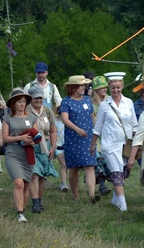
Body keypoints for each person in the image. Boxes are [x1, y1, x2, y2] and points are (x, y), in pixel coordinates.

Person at [91, 72, 137, 211]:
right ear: (109, 88)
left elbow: (134, 124)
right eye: (113, 88)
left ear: (122, 86)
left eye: (118, 87)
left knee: (123, 171)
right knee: (116, 171)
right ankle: (123, 205)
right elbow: (97, 127)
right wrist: (93, 144)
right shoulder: (105, 105)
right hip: (109, 144)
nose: (116, 90)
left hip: (125, 144)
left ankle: (115, 199)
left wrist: (136, 143)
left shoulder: (128, 102)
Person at [61, 75, 100, 203]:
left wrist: (97, 131)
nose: (84, 88)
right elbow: (65, 119)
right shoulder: (66, 102)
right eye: (81, 86)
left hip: (88, 138)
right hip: (73, 138)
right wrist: (76, 129)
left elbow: (92, 117)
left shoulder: (87, 100)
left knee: (90, 165)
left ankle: (92, 195)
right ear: (73, 87)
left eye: (84, 85)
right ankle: (75, 194)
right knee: (75, 168)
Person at [2, 88, 37, 222]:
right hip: (13, 153)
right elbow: (5, 138)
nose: (22, 104)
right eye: (19, 102)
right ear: (13, 104)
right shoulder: (7, 118)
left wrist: (32, 141)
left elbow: (36, 135)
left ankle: (23, 208)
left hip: (27, 153)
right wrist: (19, 138)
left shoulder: (32, 117)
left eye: (23, 102)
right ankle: (20, 213)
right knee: (18, 182)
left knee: (26, 184)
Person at [27, 86, 58, 212]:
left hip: (45, 146)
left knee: (41, 176)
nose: (39, 100)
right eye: (36, 98)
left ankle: (39, 201)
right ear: (30, 99)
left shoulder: (47, 111)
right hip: (31, 146)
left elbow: (53, 130)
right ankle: (34, 203)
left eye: (40, 98)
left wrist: (53, 147)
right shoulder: (26, 111)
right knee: (34, 174)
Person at [90, 76, 111, 196]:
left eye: (104, 87)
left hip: (109, 133)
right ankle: (102, 186)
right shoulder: (91, 103)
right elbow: (93, 120)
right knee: (99, 158)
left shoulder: (110, 100)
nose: (104, 89)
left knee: (108, 160)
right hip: (97, 135)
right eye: (101, 87)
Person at [54, 103, 68, 192]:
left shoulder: (69, 121)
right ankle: (63, 184)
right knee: (63, 165)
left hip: (68, 146)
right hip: (58, 146)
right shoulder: (54, 122)